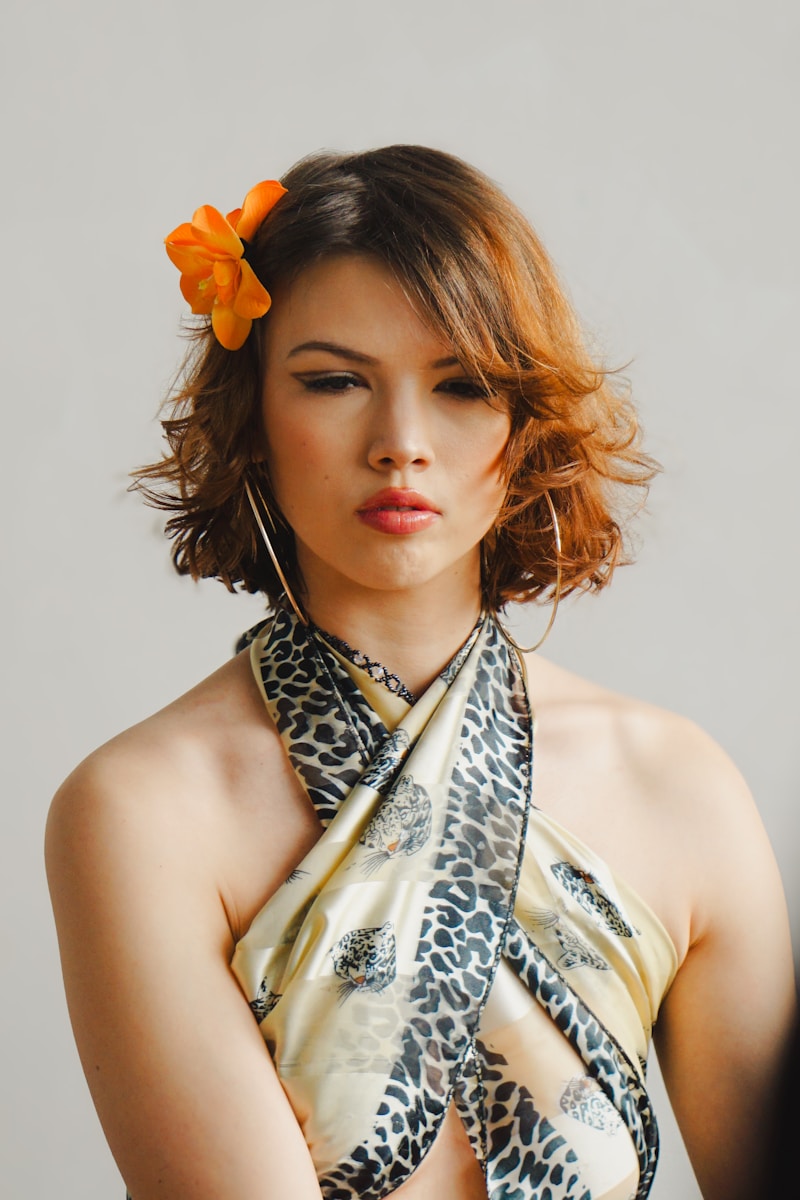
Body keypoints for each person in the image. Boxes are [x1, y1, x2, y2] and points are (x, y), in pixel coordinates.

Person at [46, 146, 795, 1200]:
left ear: (522, 424)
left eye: (461, 386)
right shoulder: (140, 809)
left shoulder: (675, 787)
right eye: (333, 381)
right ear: (252, 418)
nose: (400, 444)